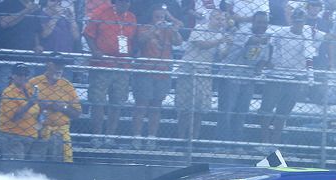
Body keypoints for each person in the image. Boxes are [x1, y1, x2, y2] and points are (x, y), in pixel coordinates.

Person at [259, 8, 321, 144]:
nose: (298, 24)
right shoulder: (280, 33)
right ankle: (264, 141)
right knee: (266, 110)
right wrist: (268, 62)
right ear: (291, 20)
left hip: (295, 78)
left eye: (301, 21)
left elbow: (325, 39)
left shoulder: (310, 33)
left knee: (283, 113)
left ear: (304, 21)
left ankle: (275, 142)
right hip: (276, 76)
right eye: (296, 21)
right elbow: (267, 48)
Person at [84, 0, 137, 148]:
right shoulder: (102, 11)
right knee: (98, 102)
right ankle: (96, 136)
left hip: (122, 66)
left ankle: (110, 137)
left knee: (117, 103)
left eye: (128, 2)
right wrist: (95, 50)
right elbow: (88, 33)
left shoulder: (132, 17)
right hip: (102, 65)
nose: (126, 4)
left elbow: (133, 40)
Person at [131, 4, 183, 150]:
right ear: (151, 17)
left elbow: (179, 42)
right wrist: (155, 28)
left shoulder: (168, 30)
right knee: (141, 105)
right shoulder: (144, 27)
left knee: (156, 107)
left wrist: (173, 28)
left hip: (163, 72)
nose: (160, 20)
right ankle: (136, 137)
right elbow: (140, 40)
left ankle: (151, 138)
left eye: (162, 17)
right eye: (157, 17)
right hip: (145, 71)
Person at [216, 11, 271, 142]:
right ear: (252, 22)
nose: (262, 25)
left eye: (265, 22)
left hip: (248, 80)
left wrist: (259, 67)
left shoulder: (266, 39)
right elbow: (251, 41)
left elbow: (264, 58)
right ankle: (221, 143)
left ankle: (236, 143)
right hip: (230, 76)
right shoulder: (243, 32)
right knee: (226, 112)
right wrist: (263, 40)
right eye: (259, 22)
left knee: (241, 113)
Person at [177, 9, 230, 141]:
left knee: (200, 109)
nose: (220, 21)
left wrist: (229, 45)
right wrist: (220, 41)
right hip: (189, 70)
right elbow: (201, 45)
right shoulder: (200, 28)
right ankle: (180, 138)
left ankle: (194, 138)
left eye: (222, 19)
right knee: (185, 108)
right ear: (210, 19)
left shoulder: (221, 35)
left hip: (205, 72)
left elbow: (221, 56)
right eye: (217, 18)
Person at [27, 53, 81, 162]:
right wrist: (41, 106)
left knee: (65, 164)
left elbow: (77, 113)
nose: (59, 68)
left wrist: (63, 107)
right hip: (38, 129)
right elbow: (23, 106)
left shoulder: (67, 85)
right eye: (56, 65)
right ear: (48, 65)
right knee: (36, 163)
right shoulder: (34, 82)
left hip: (61, 130)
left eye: (62, 65)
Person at [0, 63, 41, 160]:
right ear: (13, 76)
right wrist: (30, 103)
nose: (23, 77)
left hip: (30, 136)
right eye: (20, 75)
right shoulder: (8, 92)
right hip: (13, 136)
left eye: (25, 75)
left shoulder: (29, 91)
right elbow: (14, 117)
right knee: (15, 168)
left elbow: (36, 113)